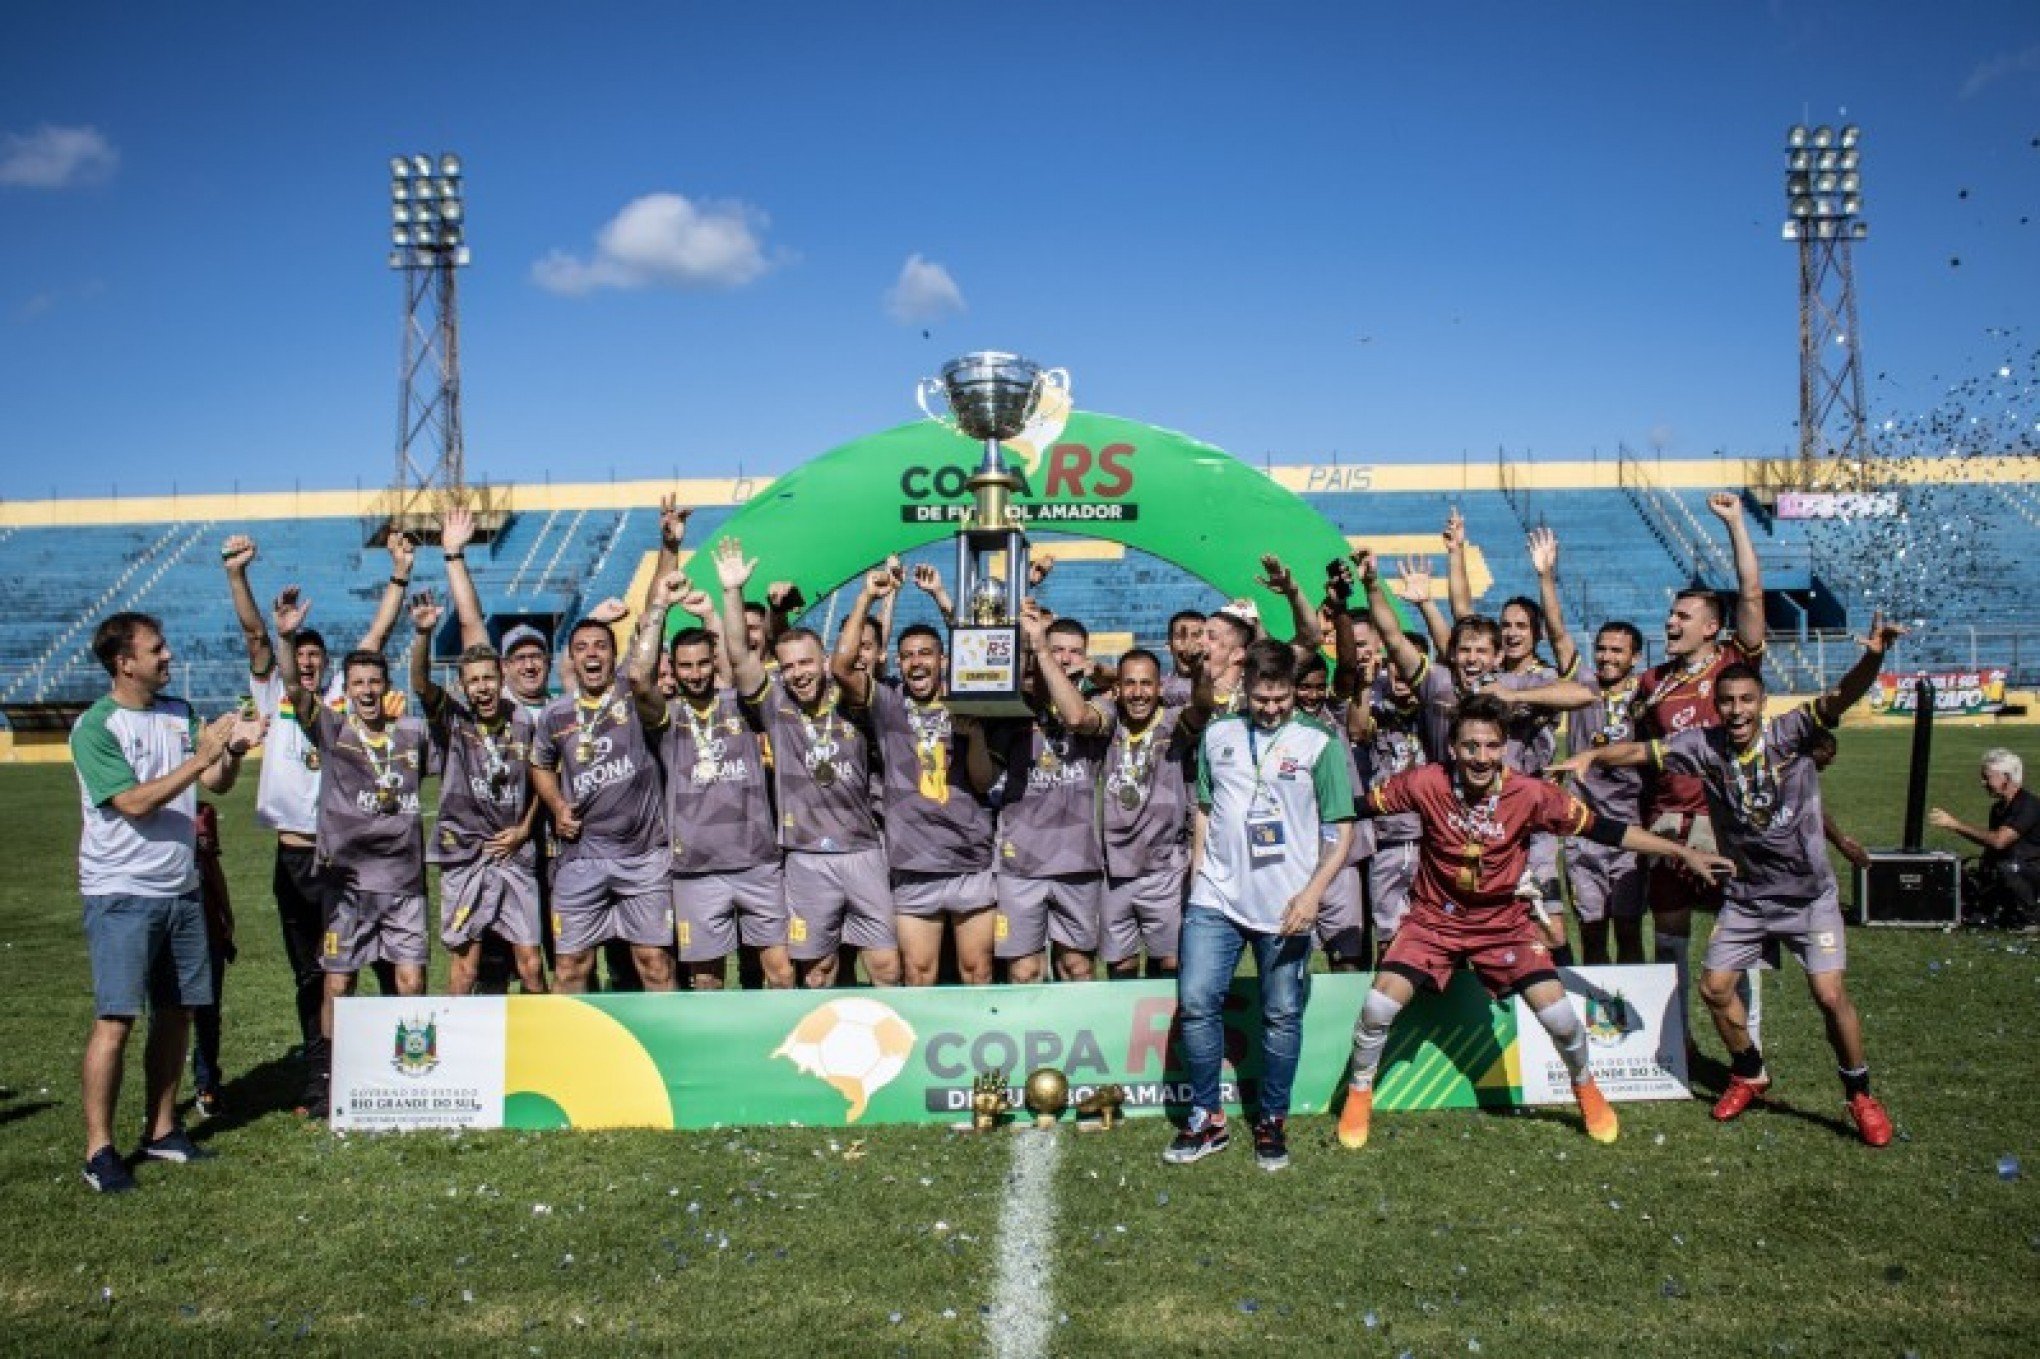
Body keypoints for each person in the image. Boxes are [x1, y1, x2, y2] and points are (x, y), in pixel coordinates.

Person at [1555, 616, 1905, 1145]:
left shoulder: (1792, 731)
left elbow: (1842, 693)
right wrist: (1592, 754)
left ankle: (1860, 1095)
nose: (1736, 710)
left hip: (1809, 896)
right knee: (1714, 987)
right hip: (1748, 896)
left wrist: (1875, 658)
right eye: (1727, 702)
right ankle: (1748, 1070)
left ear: (1761, 701)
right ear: (1716, 706)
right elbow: (1643, 753)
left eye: (1746, 700)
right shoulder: (1703, 745)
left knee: (1830, 996)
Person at [1337, 694, 1733, 1153]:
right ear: (1453, 748)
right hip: (1433, 920)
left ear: (1503, 748)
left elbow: (1608, 830)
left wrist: (1682, 851)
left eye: (1490, 746)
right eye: (1470, 747)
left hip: (1503, 923)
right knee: (1378, 1007)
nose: (1480, 758)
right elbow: (1359, 805)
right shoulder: (1427, 781)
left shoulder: (1531, 793)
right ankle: (1359, 1093)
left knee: (1562, 1017)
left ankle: (1586, 1088)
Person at [220, 530, 408, 1112]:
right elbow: (256, 636)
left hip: (339, 855)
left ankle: (389, 1061)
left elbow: (376, 638)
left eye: (313, 655)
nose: (305, 661)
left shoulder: (338, 700)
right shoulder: (274, 689)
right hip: (292, 854)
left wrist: (400, 575)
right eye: (297, 653)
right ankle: (321, 1077)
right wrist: (239, 577)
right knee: (310, 973)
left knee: (362, 962)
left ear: (325, 664)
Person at [72, 613, 260, 1190]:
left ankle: (161, 1130)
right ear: (124, 662)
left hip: (180, 888)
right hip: (121, 892)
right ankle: (99, 1150)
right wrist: (201, 760)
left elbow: (217, 785)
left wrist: (229, 753)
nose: (169, 655)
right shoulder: (95, 726)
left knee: (178, 1013)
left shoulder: (179, 712)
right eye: (157, 649)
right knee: (117, 1020)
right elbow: (132, 802)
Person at [1164, 640, 1354, 1171]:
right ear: (1245, 689)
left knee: (1281, 1014)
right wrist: (1199, 873)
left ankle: (1271, 1120)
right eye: (1262, 698)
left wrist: (1313, 893)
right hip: (1216, 897)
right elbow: (1204, 807)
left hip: (1286, 905)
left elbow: (1340, 831)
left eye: (1281, 698)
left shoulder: (1319, 741)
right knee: (1198, 1002)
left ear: (1294, 690)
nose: (1271, 708)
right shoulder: (1219, 732)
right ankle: (1206, 1118)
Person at [716, 539, 902, 987]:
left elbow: (852, 658)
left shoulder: (854, 701)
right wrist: (733, 593)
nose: (798, 672)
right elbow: (740, 656)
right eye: (789, 665)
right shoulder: (774, 705)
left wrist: (868, 597)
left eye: (806, 663)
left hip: (862, 850)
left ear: (823, 661)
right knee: (817, 970)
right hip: (804, 857)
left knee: (885, 967)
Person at [1628, 492, 1768, 1051]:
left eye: (1682, 616)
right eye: (1670, 614)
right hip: (1667, 823)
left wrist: (1735, 523)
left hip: (1726, 821)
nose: (1670, 621)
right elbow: (1641, 758)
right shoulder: (1652, 681)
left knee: (1740, 938)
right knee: (1669, 932)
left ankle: (1749, 1044)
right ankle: (1676, 1045)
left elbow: (1752, 594)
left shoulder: (1734, 665)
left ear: (1712, 627)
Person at [282, 638, 433, 1113]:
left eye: (374, 682)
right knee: (339, 983)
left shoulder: (412, 733)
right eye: (357, 685)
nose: (367, 692)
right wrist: (287, 639)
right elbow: (292, 685)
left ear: (387, 687)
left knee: (410, 980)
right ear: (344, 693)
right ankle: (332, 1079)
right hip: (347, 887)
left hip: (405, 884)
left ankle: (411, 1076)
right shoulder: (332, 731)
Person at [832, 569, 1003, 986]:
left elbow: (983, 783)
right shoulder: (888, 703)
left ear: (944, 659)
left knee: (977, 972)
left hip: (970, 859)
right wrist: (865, 598)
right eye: (907, 655)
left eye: (926, 653)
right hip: (913, 864)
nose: (916, 663)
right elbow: (840, 667)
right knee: (919, 975)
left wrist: (944, 596)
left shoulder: (970, 696)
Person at [630, 571, 793, 990]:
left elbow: (741, 660)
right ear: (675, 668)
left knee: (781, 972)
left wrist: (727, 596)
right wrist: (660, 606)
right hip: (695, 870)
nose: (696, 673)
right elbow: (638, 677)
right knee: (705, 981)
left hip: (757, 862)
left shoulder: (744, 704)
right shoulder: (667, 718)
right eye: (685, 666)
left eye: (703, 662)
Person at [1031, 628, 1196, 980]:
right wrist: (1044, 652)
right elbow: (1077, 718)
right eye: (1130, 685)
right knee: (1120, 968)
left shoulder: (1174, 721)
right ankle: (1129, 1036)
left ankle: (1167, 1035)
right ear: (1117, 689)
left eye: (1146, 684)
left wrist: (1202, 669)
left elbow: (1206, 706)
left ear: (1159, 687)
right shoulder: (1108, 717)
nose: (1138, 693)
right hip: (1114, 871)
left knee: (1171, 965)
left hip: (1166, 869)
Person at [528, 615, 680, 994]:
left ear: (615, 656)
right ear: (571, 660)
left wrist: (667, 557)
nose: (591, 655)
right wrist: (558, 805)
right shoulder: (555, 714)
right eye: (581, 648)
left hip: (643, 857)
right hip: (581, 858)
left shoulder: (633, 696)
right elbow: (539, 764)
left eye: (600, 646)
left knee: (655, 963)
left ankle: (666, 1051)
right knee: (570, 967)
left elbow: (650, 630)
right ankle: (569, 1052)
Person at [409, 592, 547, 996]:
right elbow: (419, 681)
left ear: (502, 679)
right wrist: (423, 634)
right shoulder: (453, 720)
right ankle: (454, 1055)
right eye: (474, 681)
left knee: (532, 966)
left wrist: (524, 829)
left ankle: (542, 1051)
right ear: (463, 686)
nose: (483, 688)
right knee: (465, 970)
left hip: (513, 856)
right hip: (464, 856)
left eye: (489, 678)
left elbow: (544, 779)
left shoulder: (525, 723)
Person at [999, 605, 1113, 984]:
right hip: (1020, 861)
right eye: (1057, 648)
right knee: (1023, 971)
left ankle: (1083, 1043)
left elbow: (1077, 718)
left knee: (1077, 968)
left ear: (1086, 658)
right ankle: (1025, 1042)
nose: (1065, 658)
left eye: (1074, 651)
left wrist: (1043, 652)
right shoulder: (1016, 702)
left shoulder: (1102, 701)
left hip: (1077, 860)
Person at [1560, 622, 1648, 966]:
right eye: (1602, 649)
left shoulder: (1646, 695)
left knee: (1629, 930)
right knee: (1591, 930)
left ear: (1635, 657)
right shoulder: (1582, 686)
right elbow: (1558, 634)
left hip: (1630, 830)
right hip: (1583, 829)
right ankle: (1599, 1019)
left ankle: (1633, 1017)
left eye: (1617, 650)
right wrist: (1547, 579)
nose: (1607, 657)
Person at [1932, 749, 2040, 928]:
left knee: (2008, 868)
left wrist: (1955, 825)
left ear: (2006, 777)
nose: (1983, 783)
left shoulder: (2029, 805)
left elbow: (1999, 841)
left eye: (1987, 777)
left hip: (2028, 872)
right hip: (2011, 870)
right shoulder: (1999, 809)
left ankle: (2031, 917)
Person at [189, 801, 235, 1119]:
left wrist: (225, 911)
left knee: (209, 1008)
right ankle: (161, 1097)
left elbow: (211, 866)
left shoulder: (202, 811)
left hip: (206, 923)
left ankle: (206, 1083)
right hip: (169, 920)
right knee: (167, 1013)